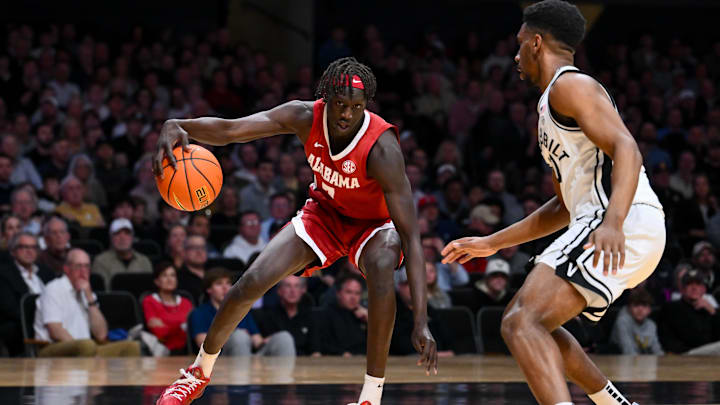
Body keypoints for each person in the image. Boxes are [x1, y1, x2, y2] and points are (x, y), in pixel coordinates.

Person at [153, 57, 436, 405]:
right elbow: (231, 130)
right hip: (325, 213)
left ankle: (370, 397)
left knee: (380, 270)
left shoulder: (382, 149)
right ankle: (197, 374)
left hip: (374, 226)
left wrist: (421, 318)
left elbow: (412, 238)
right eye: (341, 105)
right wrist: (180, 124)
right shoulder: (304, 116)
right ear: (325, 98)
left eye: (356, 107)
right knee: (250, 282)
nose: (347, 114)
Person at [442, 2, 665, 404]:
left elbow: (627, 147)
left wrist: (613, 221)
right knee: (534, 324)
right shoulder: (552, 101)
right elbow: (562, 208)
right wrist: (492, 242)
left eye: (520, 44)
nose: (515, 54)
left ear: (537, 42)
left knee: (518, 322)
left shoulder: (570, 85)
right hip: (609, 219)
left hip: (619, 218)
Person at [33, 248, 141, 357]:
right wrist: (78, 346)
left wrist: (89, 298)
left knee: (131, 347)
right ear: (66, 268)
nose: (83, 271)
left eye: (87, 266)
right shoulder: (54, 289)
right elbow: (55, 331)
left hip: (86, 349)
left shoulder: (88, 293)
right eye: (79, 266)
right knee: (87, 345)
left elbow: (101, 335)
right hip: (53, 348)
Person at [188, 268, 294, 356]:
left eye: (228, 283)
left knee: (284, 338)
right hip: (218, 362)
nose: (225, 288)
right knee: (239, 336)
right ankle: (242, 381)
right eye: (219, 284)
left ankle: (285, 381)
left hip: (248, 356)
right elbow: (203, 344)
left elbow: (257, 341)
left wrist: (266, 341)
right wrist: (236, 336)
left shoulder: (241, 310)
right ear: (209, 290)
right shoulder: (199, 313)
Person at [0, 232, 55, 356]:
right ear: (13, 251)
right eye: (24, 247)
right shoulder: (3, 274)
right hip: (22, 328)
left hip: (50, 325)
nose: (30, 251)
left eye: (33, 247)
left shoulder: (46, 272)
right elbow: (10, 309)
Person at [254, 275, 319, 356]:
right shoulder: (267, 316)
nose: (293, 291)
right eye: (288, 286)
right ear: (279, 290)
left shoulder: (310, 317)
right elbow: (262, 346)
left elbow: (315, 351)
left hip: (304, 365)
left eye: (297, 286)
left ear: (303, 290)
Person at [659, 269, 720, 355]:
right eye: (689, 284)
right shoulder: (671, 308)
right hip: (684, 354)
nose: (694, 287)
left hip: (710, 355)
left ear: (704, 289)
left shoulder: (710, 309)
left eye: (698, 284)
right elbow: (667, 338)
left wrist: (713, 312)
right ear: (682, 289)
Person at [142, 262, 194, 355]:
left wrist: (166, 324)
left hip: (187, 351)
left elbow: (192, 329)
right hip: (161, 352)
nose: (169, 279)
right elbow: (160, 334)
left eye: (173, 275)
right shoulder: (149, 301)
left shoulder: (186, 302)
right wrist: (181, 325)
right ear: (157, 281)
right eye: (164, 275)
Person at [315, 274, 369, 356]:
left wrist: (370, 323)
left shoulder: (363, 315)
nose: (353, 297)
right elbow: (322, 345)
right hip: (336, 363)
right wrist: (342, 353)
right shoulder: (325, 315)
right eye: (349, 292)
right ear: (338, 294)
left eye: (357, 293)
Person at [92, 218, 153, 289]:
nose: (122, 237)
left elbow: (149, 290)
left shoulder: (144, 261)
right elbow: (104, 290)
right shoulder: (100, 261)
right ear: (111, 238)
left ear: (132, 237)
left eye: (127, 233)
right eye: (117, 233)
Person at [610, 287, 663, 355]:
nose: (640, 309)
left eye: (644, 305)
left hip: (642, 362)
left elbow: (657, 350)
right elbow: (628, 350)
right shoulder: (622, 322)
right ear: (629, 308)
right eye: (636, 305)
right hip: (620, 362)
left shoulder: (651, 325)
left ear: (649, 309)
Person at [176, 235, 210, 303]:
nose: (199, 251)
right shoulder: (177, 278)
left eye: (202, 247)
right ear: (184, 253)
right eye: (193, 247)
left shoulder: (214, 273)